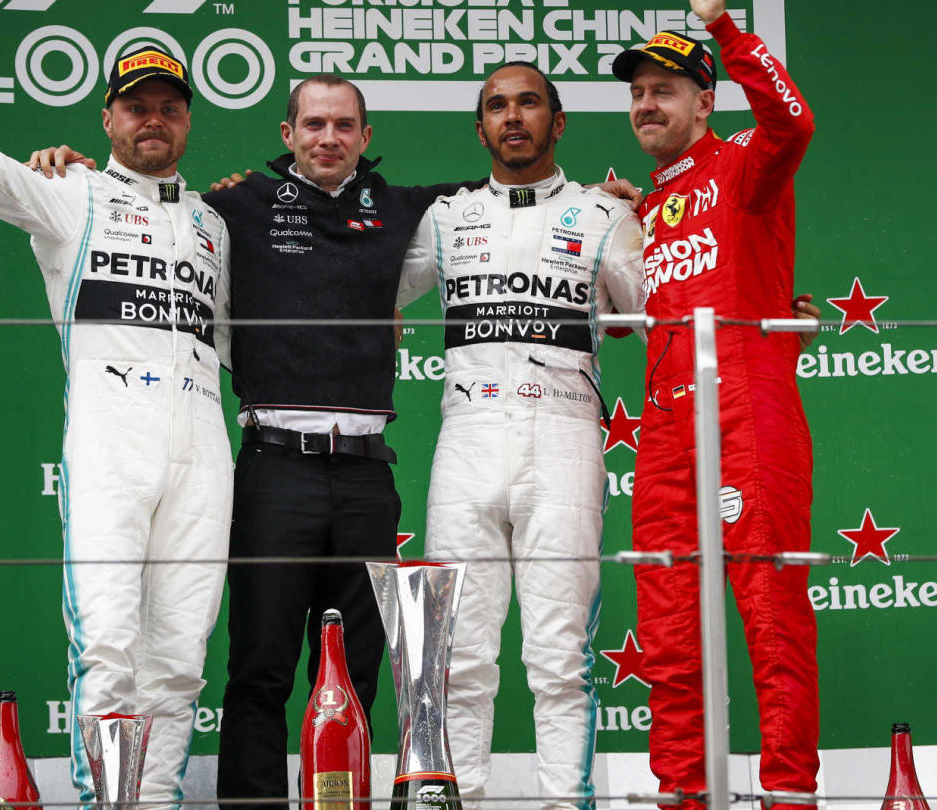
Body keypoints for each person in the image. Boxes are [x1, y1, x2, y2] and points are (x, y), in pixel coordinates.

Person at [0, 2, 232, 807]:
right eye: (136, 106)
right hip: (111, 439)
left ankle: (153, 799)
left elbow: (241, 339)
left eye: (168, 106)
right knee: (109, 644)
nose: (153, 120)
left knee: (181, 654)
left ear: (188, 121)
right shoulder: (71, 192)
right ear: (109, 118)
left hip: (204, 443)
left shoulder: (213, 224)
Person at [200, 78, 473, 809]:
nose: (328, 138)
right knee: (259, 666)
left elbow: (507, 194)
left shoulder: (401, 206)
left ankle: (340, 802)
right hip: (274, 467)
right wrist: (64, 168)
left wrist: (611, 199)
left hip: (363, 476)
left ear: (366, 134)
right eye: (313, 124)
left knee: (354, 667)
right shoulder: (236, 206)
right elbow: (149, 209)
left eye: (343, 125)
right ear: (286, 132)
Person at [394, 62, 644, 808]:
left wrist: (647, 212)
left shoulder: (604, 215)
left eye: (529, 103)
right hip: (466, 438)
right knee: (457, 657)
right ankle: (456, 797)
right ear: (480, 129)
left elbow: (654, 312)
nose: (513, 117)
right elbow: (360, 282)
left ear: (557, 122)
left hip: (564, 438)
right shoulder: (446, 217)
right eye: (497, 106)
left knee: (559, 659)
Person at [612, 0, 819, 806]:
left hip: (747, 411)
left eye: (666, 90)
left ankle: (790, 794)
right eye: (638, 93)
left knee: (769, 612)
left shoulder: (745, 166)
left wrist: (727, 32)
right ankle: (683, 796)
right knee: (666, 630)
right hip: (665, 430)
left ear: (706, 101)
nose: (647, 104)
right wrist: (624, 220)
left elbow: (793, 123)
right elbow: (628, 326)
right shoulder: (642, 213)